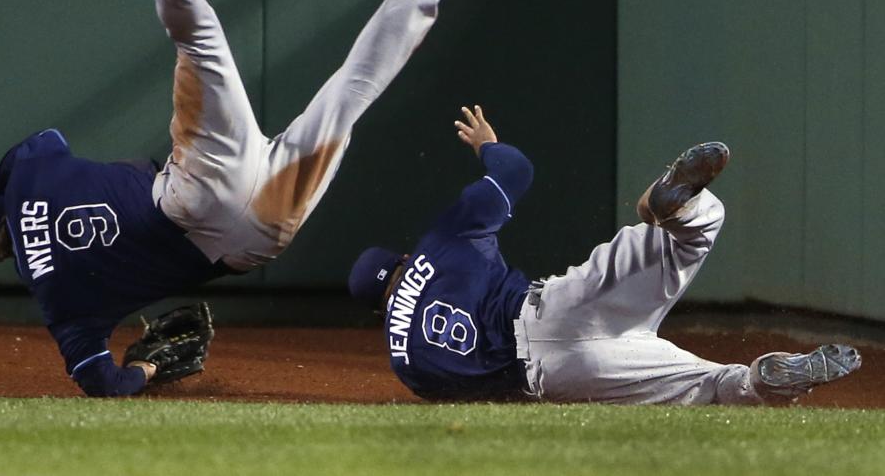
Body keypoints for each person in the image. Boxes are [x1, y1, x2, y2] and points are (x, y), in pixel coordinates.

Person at [0, 0, 458, 397]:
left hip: (257, 233)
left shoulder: (59, 302)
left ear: (1, 251)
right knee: (200, 41)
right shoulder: (31, 177)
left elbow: (101, 383)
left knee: (351, 95)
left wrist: (147, 370)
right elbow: (31, 147)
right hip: (194, 190)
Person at [348, 107, 861, 404]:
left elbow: (476, 401)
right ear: (402, 258)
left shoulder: (406, 363)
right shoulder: (439, 243)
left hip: (557, 371)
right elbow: (517, 172)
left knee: (711, 387)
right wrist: (488, 145)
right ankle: (670, 208)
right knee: (696, 231)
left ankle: (763, 377)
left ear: (378, 311)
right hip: (560, 304)